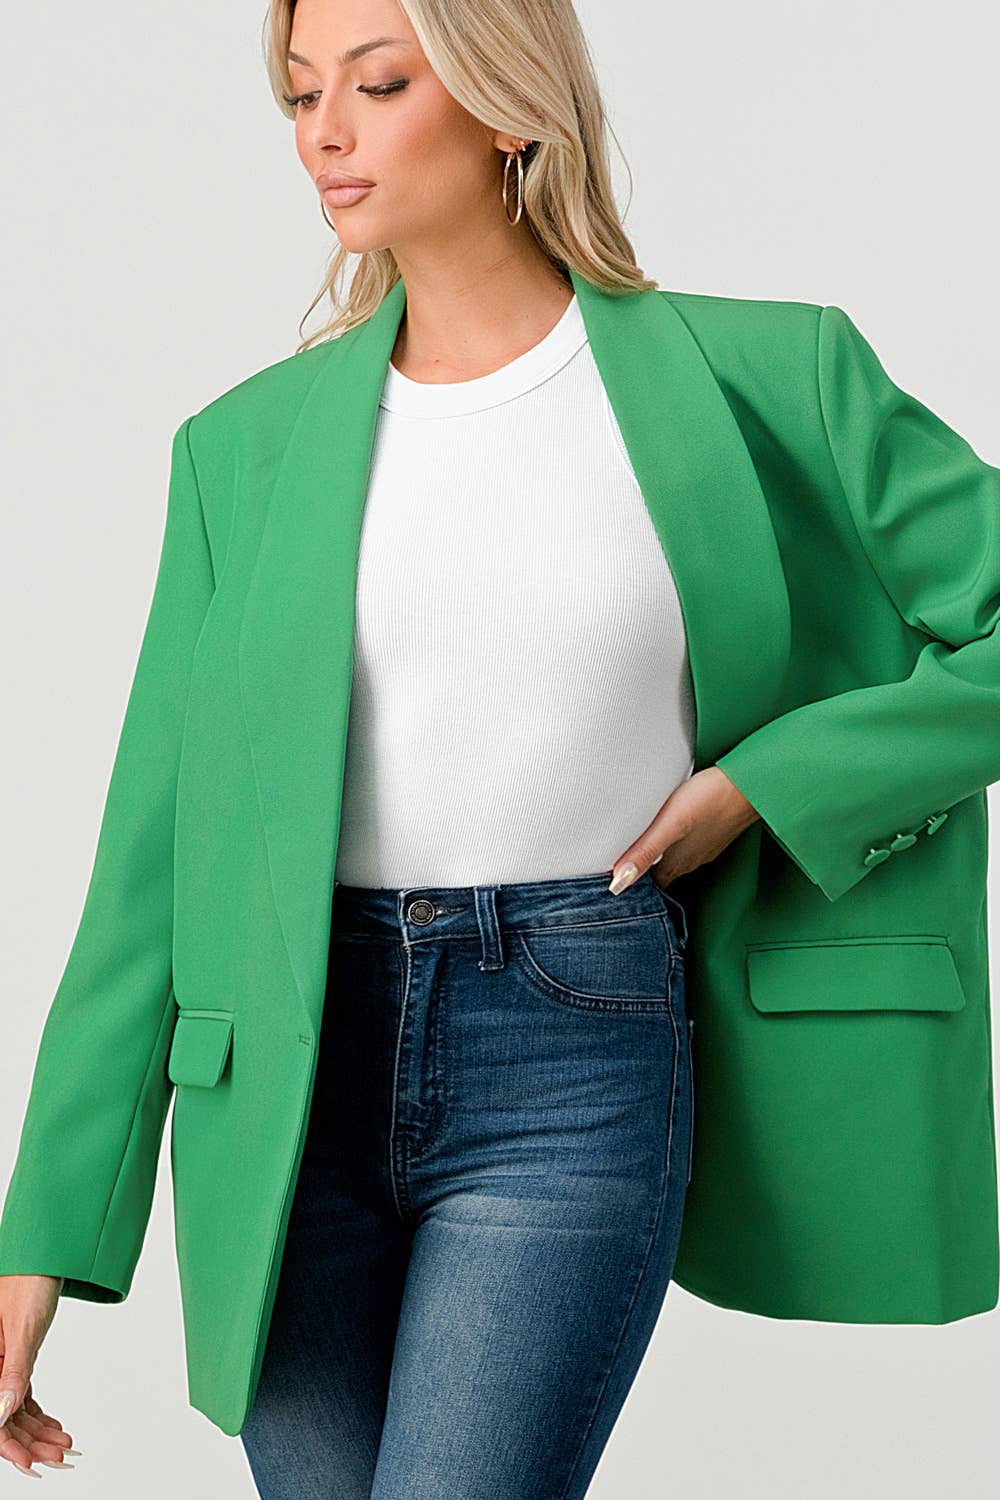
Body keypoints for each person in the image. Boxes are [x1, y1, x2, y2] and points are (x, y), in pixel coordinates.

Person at [1, 0, 998, 1492]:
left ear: (507, 104)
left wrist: (768, 786)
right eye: (300, 95)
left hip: (571, 1042)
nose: (325, 134)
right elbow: (156, 854)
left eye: (379, 83)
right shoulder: (241, 452)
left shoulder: (773, 375)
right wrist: (44, 1228)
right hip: (287, 1082)